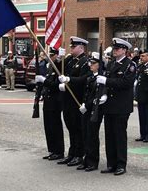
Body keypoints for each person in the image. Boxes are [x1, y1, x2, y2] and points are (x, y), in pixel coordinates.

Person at [97, 38, 137, 176]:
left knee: (119, 136)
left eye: (118, 49)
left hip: (121, 106)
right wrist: (104, 94)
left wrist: (106, 81)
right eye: (114, 49)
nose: (115, 51)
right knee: (110, 135)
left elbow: (125, 83)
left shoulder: (130, 65)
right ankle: (111, 163)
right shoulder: (111, 64)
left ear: (124, 50)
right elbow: (107, 83)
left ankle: (121, 164)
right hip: (109, 105)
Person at [57, 36, 92, 167]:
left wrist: (69, 80)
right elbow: (58, 70)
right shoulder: (70, 59)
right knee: (70, 127)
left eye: (73, 47)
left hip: (77, 98)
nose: (71, 49)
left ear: (81, 48)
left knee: (78, 128)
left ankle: (79, 154)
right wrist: (59, 59)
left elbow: (85, 79)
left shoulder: (85, 61)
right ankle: (72, 153)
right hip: (68, 99)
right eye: (71, 46)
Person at [35, 47, 64, 161]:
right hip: (48, 100)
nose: (50, 58)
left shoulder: (58, 69)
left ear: (57, 56)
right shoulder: (50, 67)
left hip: (55, 101)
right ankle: (52, 150)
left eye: (52, 55)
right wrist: (41, 92)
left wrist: (44, 81)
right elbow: (47, 84)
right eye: (50, 55)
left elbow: (55, 85)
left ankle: (58, 151)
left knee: (55, 126)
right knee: (48, 127)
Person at [78, 55, 105, 172]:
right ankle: (86, 159)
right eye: (91, 63)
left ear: (99, 65)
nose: (91, 65)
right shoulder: (90, 78)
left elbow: (96, 96)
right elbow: (87, 93)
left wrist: (87, 105)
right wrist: (83, 104)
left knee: (92, 135)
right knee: (85, 133)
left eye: (93, 64)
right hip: (87, 109)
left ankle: (93, 161)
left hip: (95, 110)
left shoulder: (101, 78)